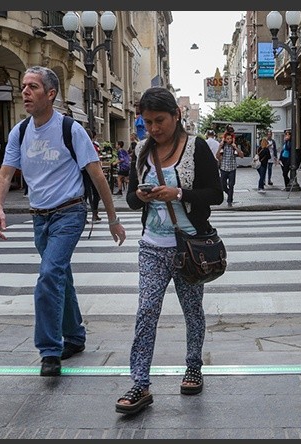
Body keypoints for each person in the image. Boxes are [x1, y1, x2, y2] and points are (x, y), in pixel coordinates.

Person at [0, 66, 126, 377]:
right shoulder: (20, 131)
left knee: (48, 276)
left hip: (69, 212)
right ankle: (75, 337)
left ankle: (49, 350)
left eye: (33, 87)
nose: (25, 91)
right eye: (24, 86)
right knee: (60, 274)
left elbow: (96, 175)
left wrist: (112, 219)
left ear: (50, 94)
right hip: (40, 217)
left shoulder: (70, 129)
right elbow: (4, 173)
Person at [117, 86, 223, 415]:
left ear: (176, 115)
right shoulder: (141, 152)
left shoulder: (196, 147)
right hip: (152, 247)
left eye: (159, 120)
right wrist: (143, 196)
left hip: (189, 247)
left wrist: (178, 193)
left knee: (192, 311)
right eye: (147, 122)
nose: (153, 129)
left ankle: (193, 366)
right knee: (146, 312)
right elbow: (132, 200)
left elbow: (215, 194)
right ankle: (140, 384)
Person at [216, 131, 240, 207]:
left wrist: (236, 147)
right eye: (227, 139)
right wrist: (220, 147)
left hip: (232, 168)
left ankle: (230, 200)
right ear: (225, 139)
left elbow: (242, 155)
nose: (229, 140)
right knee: (223, 185)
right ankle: (229, 193)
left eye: (230, 138)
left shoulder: (234, 147)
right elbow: (217, 156)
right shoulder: (223, 146)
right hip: (223, 168)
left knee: (231, 185)